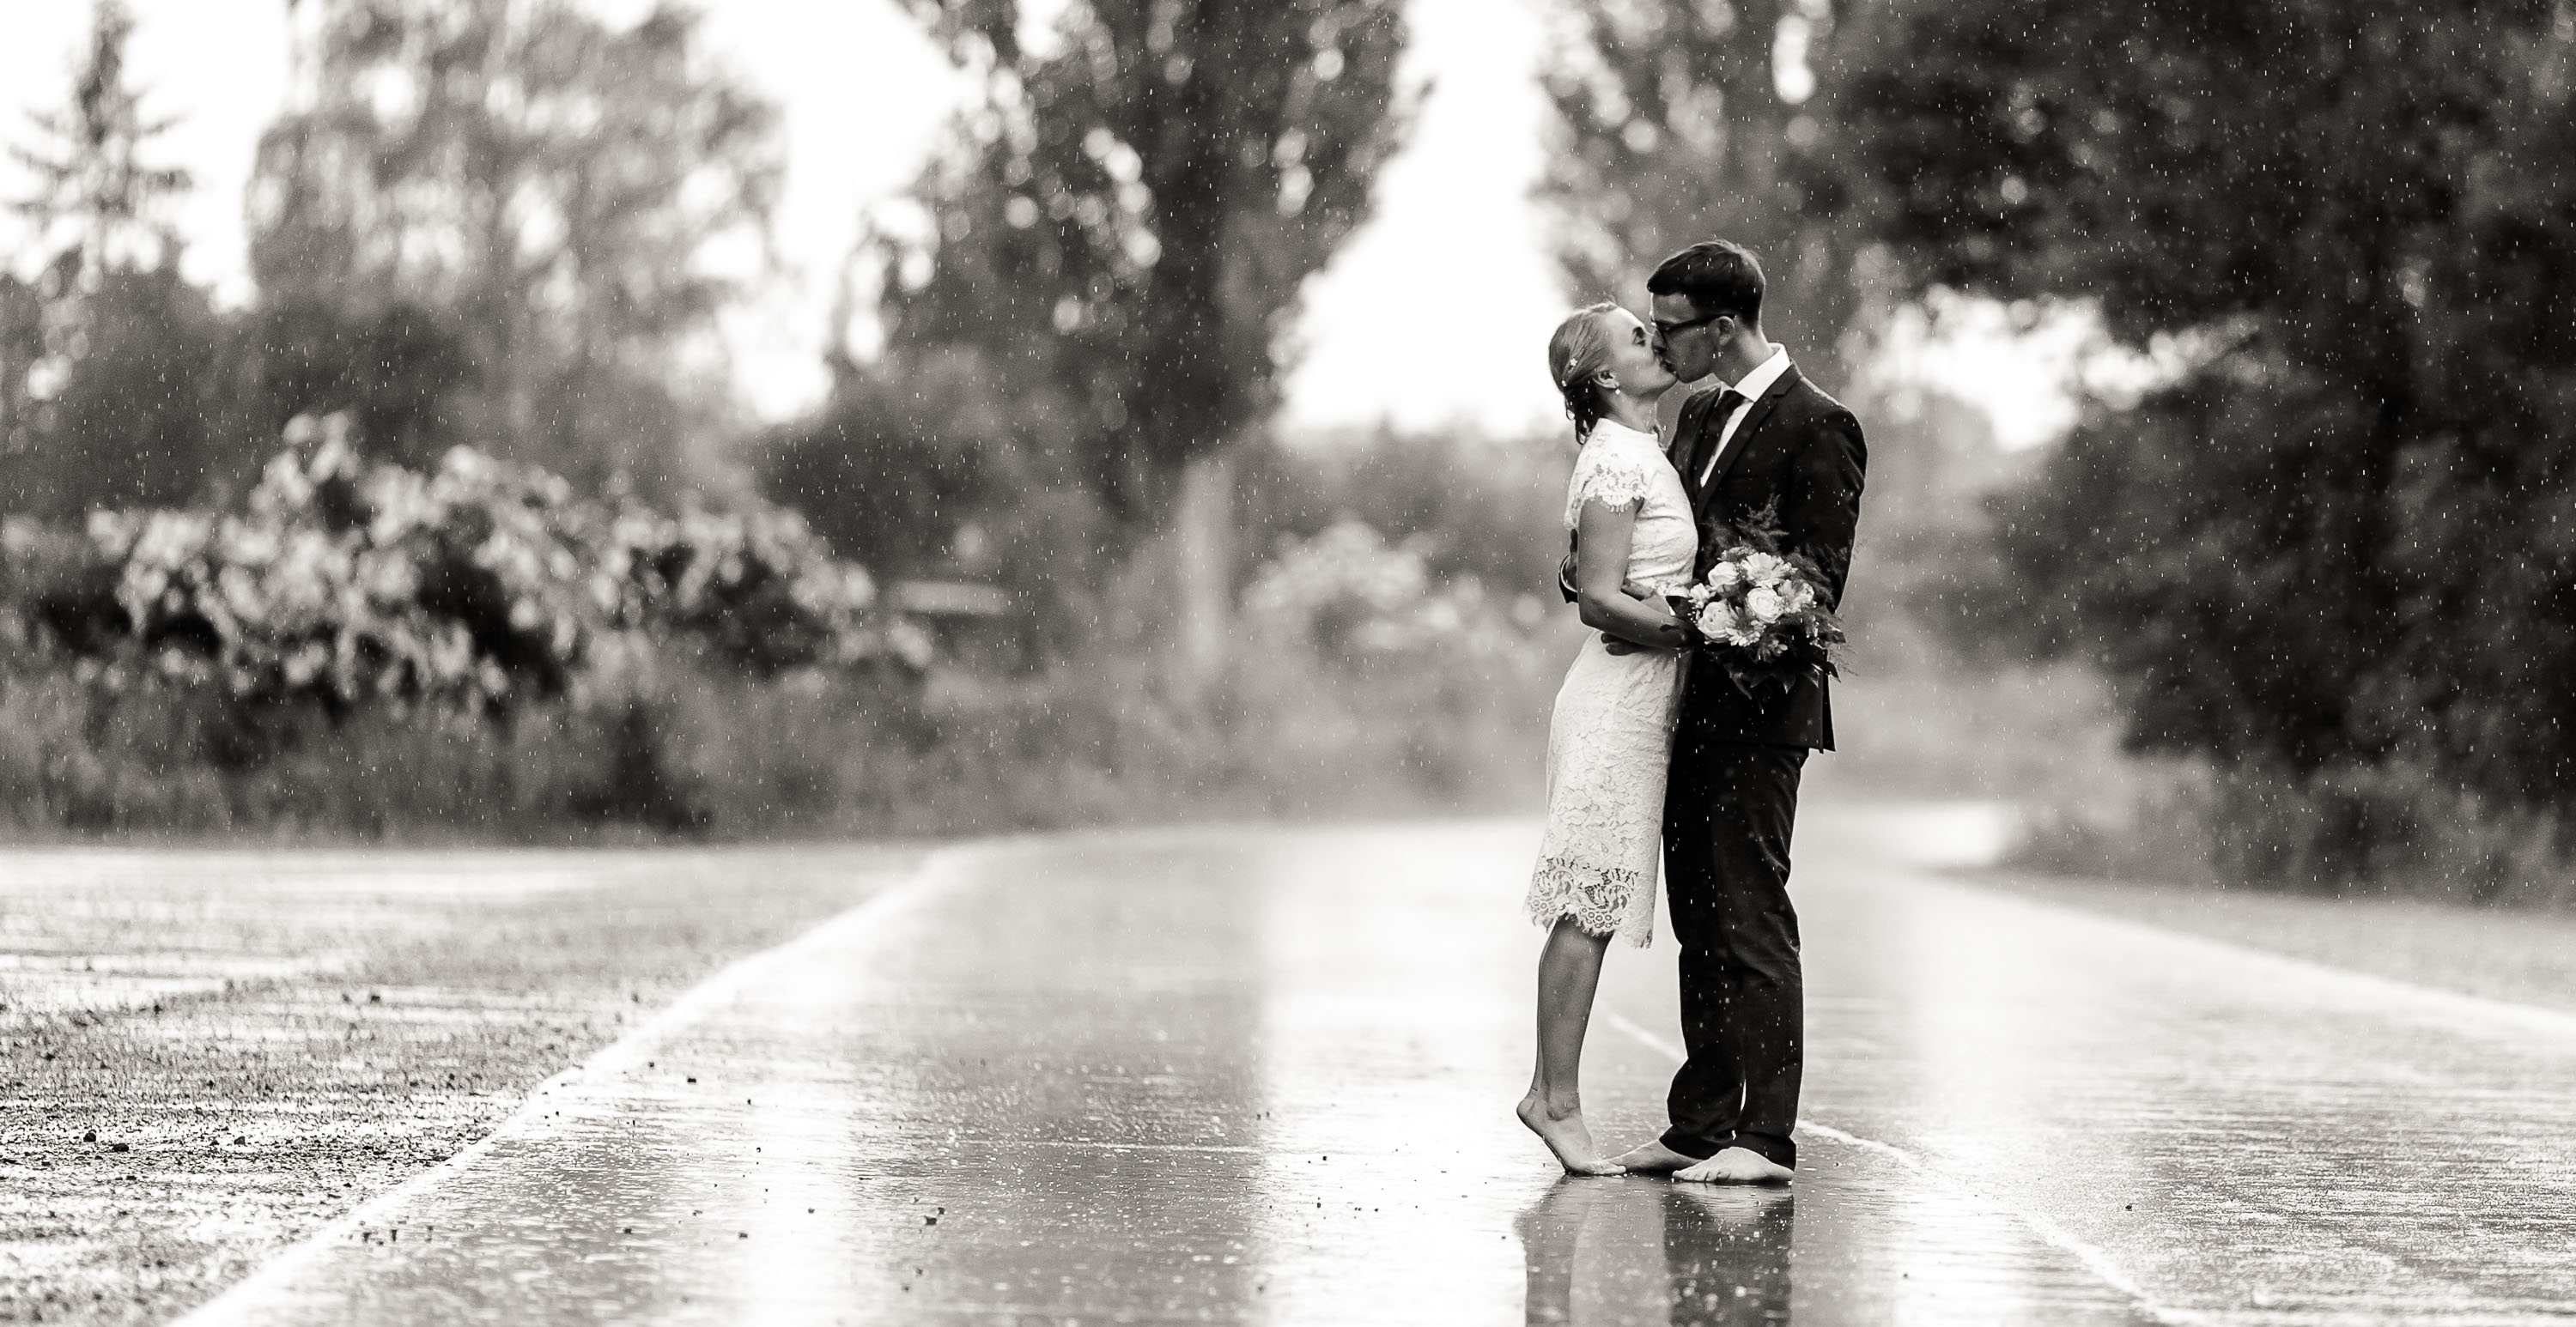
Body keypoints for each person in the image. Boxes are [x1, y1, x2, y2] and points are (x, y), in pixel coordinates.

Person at [1601, 239, 1867, 1185]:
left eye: (1668, 329)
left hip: (1764, 714)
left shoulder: (1822, 424)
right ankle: (1700, 1125)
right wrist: (1602, 577)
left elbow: (1815, 585)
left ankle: (1766, 1138)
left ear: (1719, 329)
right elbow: (1667, 540)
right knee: (1699, 919)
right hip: (1685, 706)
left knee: (1751, 917)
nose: (1657, 344)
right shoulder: (1702, 411)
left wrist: (1713, 612)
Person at [1517, 300, 1697, 1176]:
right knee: (1586, 903)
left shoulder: (1641, 448)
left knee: (1595, 899)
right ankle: (1552, 1100)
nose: (1654, 340)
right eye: (1636, 335)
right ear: (1600, 376)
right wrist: (1699, 631)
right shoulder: (1618, 457)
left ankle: (1553, 1093)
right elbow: (1596, 596)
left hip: (1644, 702)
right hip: (1614, 705)